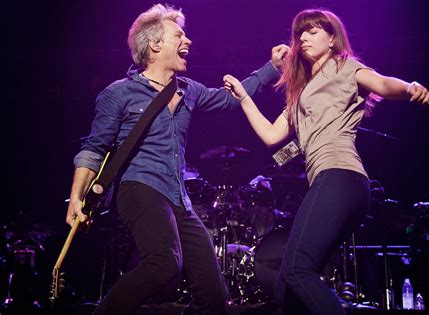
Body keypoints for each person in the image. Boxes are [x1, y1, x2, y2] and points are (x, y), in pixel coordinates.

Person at [65, 3, 288, 315]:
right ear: (156, 44)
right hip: (139, 187)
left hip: (177, 196)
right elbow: (94, 148)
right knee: (165, 262)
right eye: (179, 35)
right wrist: (77, 196)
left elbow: (230, 98)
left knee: (213, 294)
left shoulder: (187, 90)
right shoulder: (119, 93)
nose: (189, 41)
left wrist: (272, 67)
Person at [223, 8, 429, 315]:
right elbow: (271, 136)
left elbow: (384, 84)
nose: (303, 38)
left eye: (313, 31)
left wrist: (409, 87)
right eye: (300, 33)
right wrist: (243, 96)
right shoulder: (300, 91)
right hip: (332, 182)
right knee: (286, 287)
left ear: (332, 39)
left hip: (341, 175)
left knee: (296, 271)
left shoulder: (345, 67)